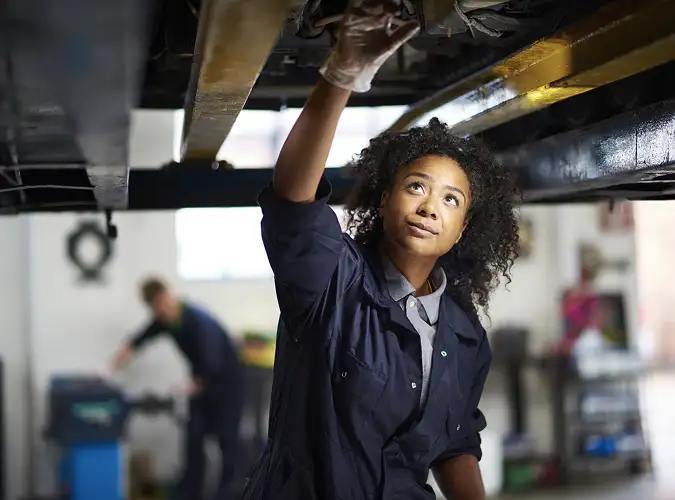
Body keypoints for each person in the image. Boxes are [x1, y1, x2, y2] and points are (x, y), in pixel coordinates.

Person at [241, 1, 520, 499]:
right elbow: (292, 200)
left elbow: (454, 444)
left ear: (462, 230)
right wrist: (344, 72)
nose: (430, 206)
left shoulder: (464, 335)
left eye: (450, 199)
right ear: (386, 198)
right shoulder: (333, 281)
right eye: (416, 187)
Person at [110, 277, 244, 500]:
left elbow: (213, 360)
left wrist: (193, 384)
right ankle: (189, 491)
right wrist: (112, 368)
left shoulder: (196, 320)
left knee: (226, 440)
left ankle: (229, 492)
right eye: (156, 308)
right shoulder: (165, 320)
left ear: (169, 295)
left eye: (164, 303)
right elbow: (138, 340)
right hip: (200, 383)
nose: (163, 310)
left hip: (226, 383)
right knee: (194, 437)